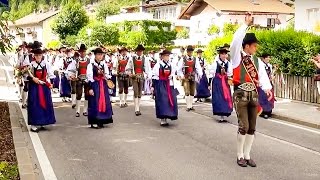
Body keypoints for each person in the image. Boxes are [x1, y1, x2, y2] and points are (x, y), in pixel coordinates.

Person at [230, 13, 272, 167]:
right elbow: (235, 42)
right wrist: (245, 25)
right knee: (244, 126)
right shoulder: (236, 57)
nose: (256, 48)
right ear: (247, 46)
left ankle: (247, 155)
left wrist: (267, 88)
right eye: (254, 45)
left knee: (252, 127)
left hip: (253, 94)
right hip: (240, 94)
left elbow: (262, 77)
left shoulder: (257, 61)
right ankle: (239, 155)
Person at [27, 48, 56, 132]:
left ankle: (43, 121)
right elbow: (27, 76)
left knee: (46, 103)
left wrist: (51, 84)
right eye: (36, 55)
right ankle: (34, 123)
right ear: (34, 56)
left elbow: (51, 74)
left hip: (44, 86)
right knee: (34, 104)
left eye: (39, 55)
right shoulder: (31, 65)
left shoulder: (46, 64)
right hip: (34, 87)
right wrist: (33, 79)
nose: (38, 57)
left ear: (42, 56)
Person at [87, 48, 113, 128]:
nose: (100, 56)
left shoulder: (104, 64)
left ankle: (102, 120)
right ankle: (94, 121)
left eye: (101, 54)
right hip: (95, 85)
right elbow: (89, 77)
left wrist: (108, 80)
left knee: (104, 101)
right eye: (98, 54)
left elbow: (107, 74)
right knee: (94, 102)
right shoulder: (90, 65)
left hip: (103, 85)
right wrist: (90, 88)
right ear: (95, 55)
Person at [152, 50, 178, 126]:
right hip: (161, 84)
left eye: (168, 56)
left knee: (171, 99)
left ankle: (170, 114)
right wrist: (155, 84)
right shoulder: (158, 65)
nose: (167, 57)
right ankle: (163, 118)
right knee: (162, 100)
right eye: (166, 56)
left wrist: (172, 76)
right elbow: (154, 75)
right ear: (162, 56)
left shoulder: (172, 65)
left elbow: (174, 73)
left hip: (170, 84)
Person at [210, 45, 233, 122]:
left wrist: (229, 78)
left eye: (225, 54)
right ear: (219, 55)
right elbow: (212, 73)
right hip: (217, 83)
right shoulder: (215, 63)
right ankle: (221, 115)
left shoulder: (228, 63)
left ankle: (225, 112)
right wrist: (209, 84)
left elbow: (230, 73)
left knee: (225, 97)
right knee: (219, 98)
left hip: (225, 83)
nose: (224, 56)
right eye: (222, 54)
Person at [126, 44, 151, 116]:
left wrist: (146, 75)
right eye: (138, 51)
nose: (140, 52)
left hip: (141, 77)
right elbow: (128, 68)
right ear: (136, 51)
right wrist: (130, 73)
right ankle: (136, 109)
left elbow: (147, 69)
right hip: (134, 77)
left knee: (140, 93)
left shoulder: (145, 59)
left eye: (141, 51)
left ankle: (138, 107)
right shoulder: (132, 58)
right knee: (136, 92)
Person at [177, 45, 203, 111]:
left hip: (193, 77)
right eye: (189, 51)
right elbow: (179, 69)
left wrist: (200, 74)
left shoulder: (195, 59)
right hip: (185, 77)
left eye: (191, 51)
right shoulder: (183, 59)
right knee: (187, 91)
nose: (190, 53)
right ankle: (188, 106)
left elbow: (198, 67)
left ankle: (191, 105)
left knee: (192, 92)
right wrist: (181, 75)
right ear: (187, 52)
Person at [258, 53, 275, 119]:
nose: (268, 59)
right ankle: (263, 111)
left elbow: (270, 74)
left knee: (270, 97)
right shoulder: (260, 65)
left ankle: (269, 111)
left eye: (269, 57)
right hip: (262, 83)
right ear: (263, 58)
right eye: (267, 57)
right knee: (263, 97)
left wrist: (271, 78)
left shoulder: (270, 66)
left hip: (269, 83)